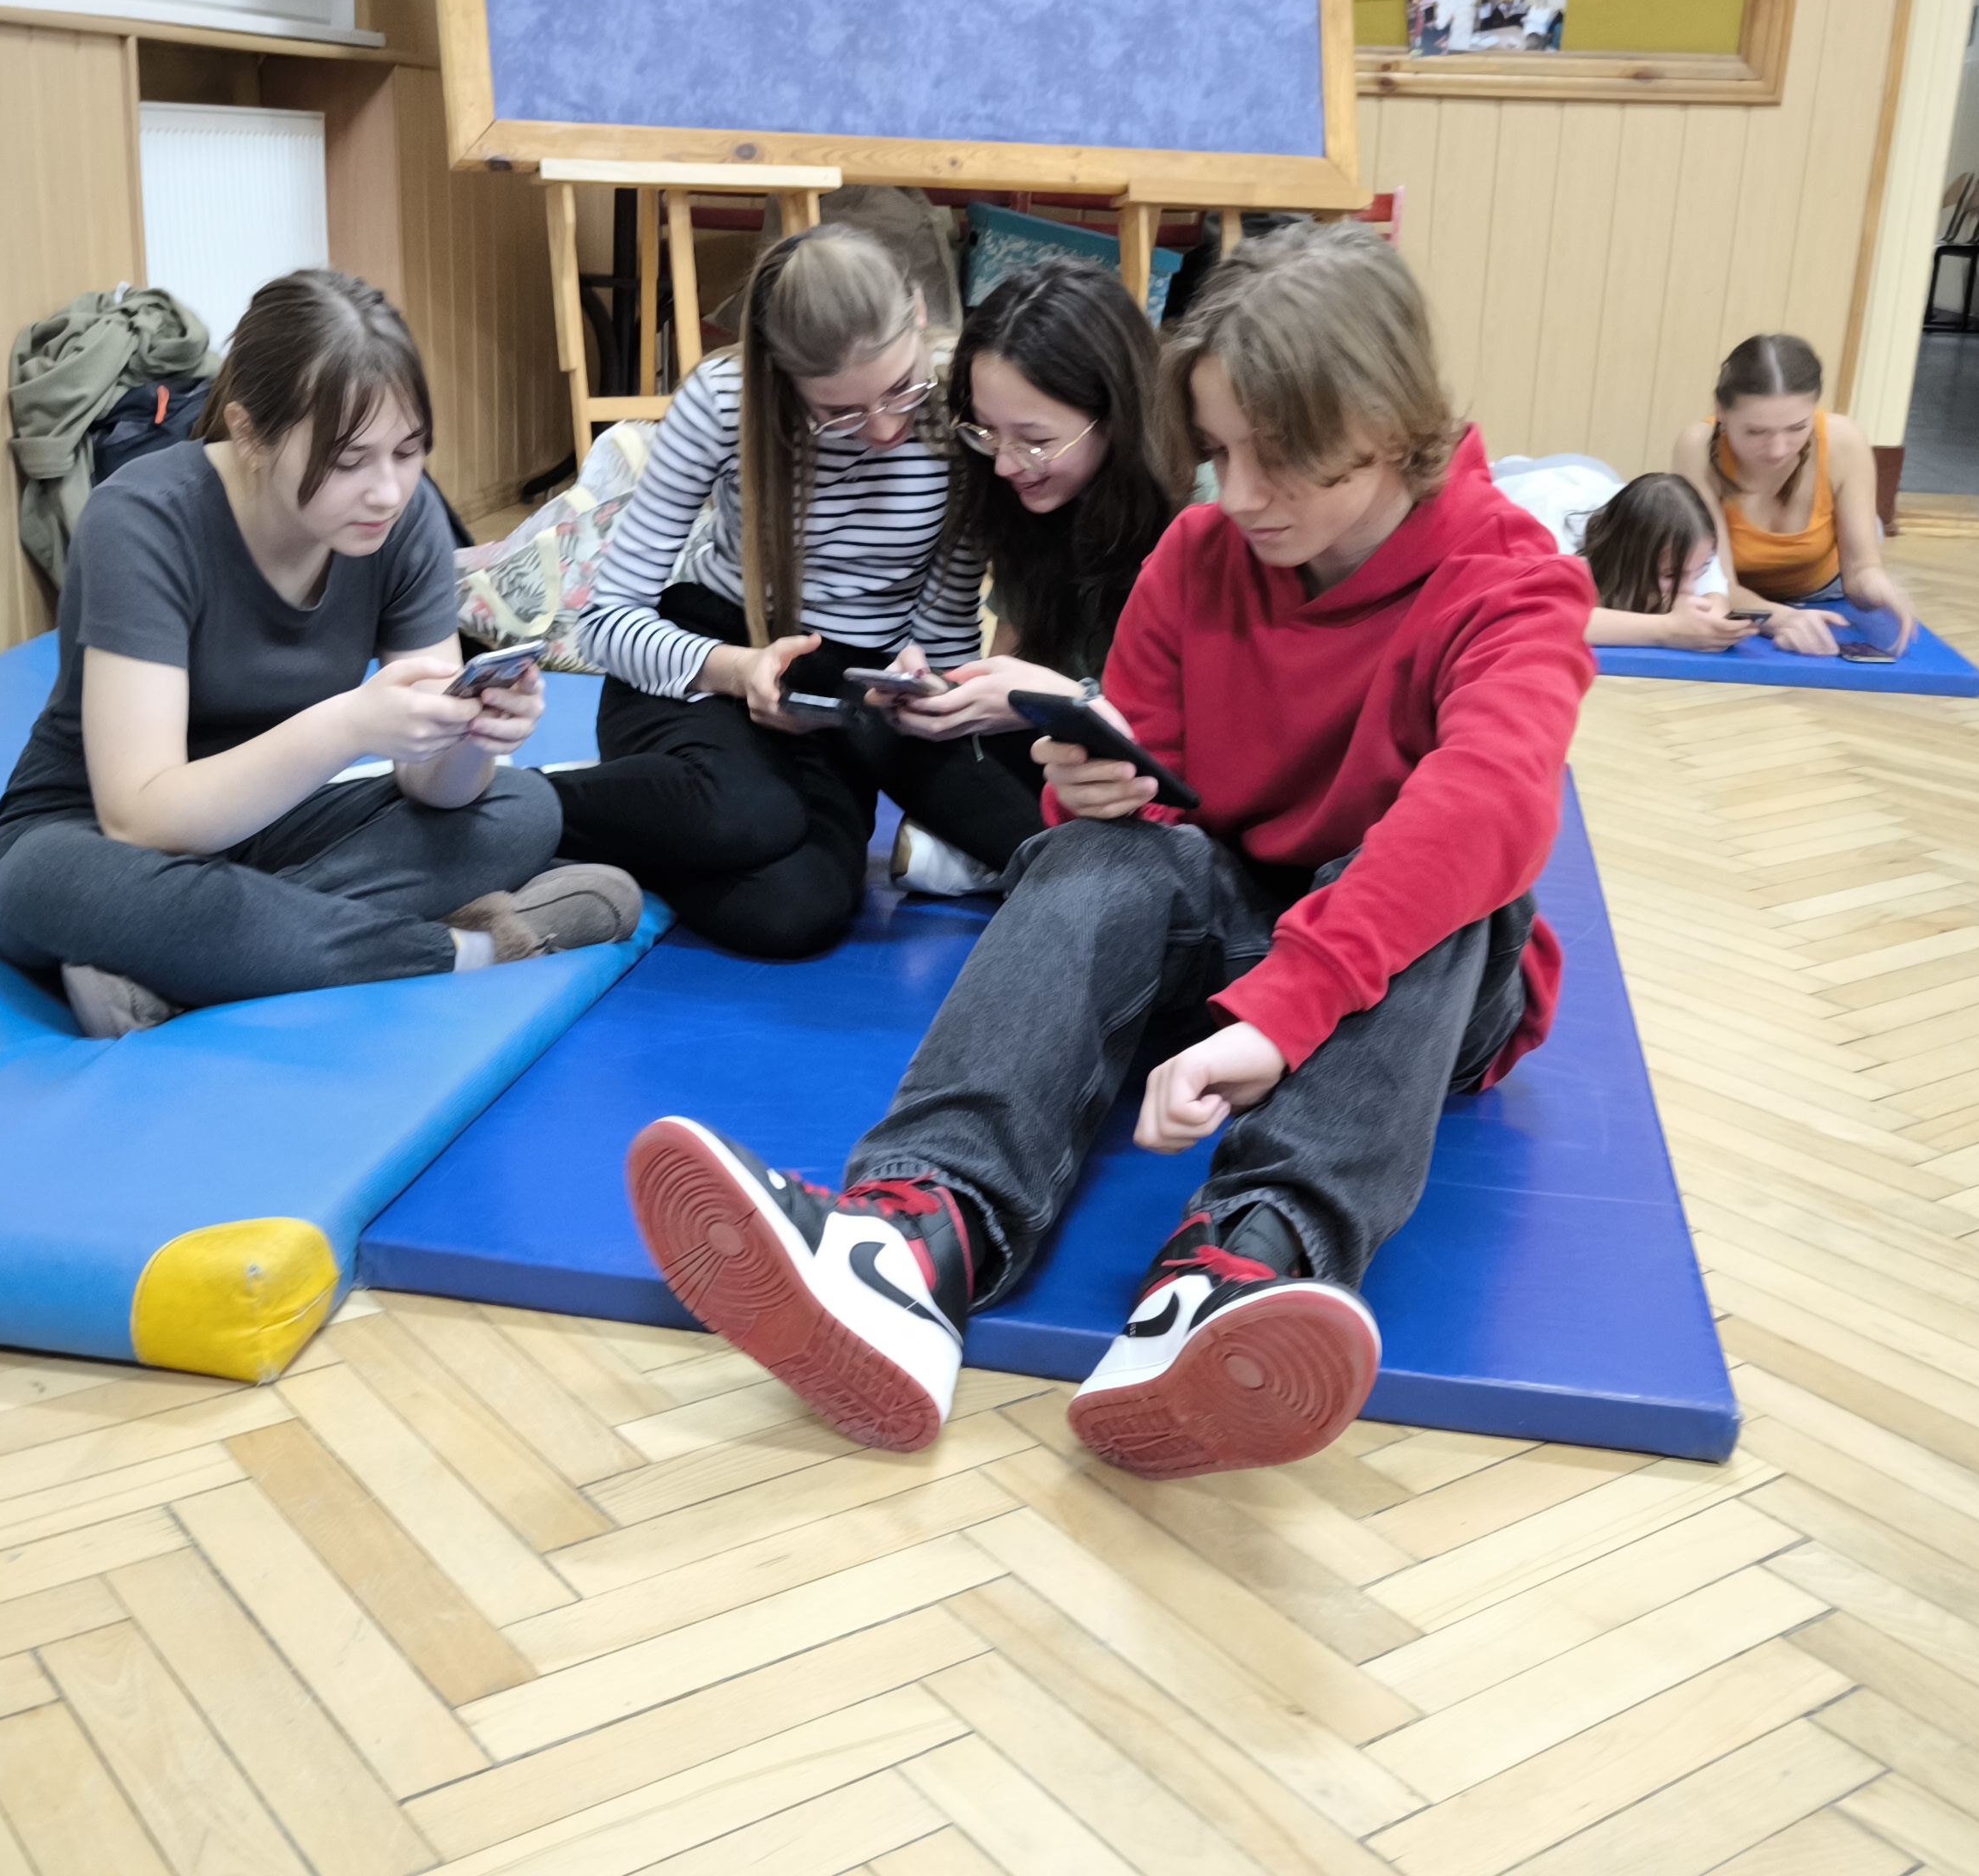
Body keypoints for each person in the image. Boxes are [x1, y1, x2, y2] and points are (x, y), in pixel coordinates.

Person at [617, 225, 1594, 1480]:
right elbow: (1156, 815)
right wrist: (1093, 797)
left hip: (1413, 994)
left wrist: (1283, 1010)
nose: (1240, 495)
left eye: (1282, 460)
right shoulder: (1198, 556)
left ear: (1392, 428)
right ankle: (911, 1240)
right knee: (1092, 860)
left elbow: (1487, 806)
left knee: (1445, 882)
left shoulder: (1514, 582)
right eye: (1221, 453)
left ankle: (1240, 1273)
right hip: (1242, 956)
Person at [0, 269, 640, 1038]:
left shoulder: (404, 521)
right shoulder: (142, 519)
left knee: (521, 809)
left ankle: (188, 968)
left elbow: (435, 790)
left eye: (408, 450)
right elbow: (141, 818)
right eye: (349, 460)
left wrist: (471, 735)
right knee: (47, 885)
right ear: (249, 433)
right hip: (99, 836)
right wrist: (351, 726)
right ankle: (471, 949)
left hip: (274, 826)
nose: (387, 491)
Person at [551, 225, 1041, 957]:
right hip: (706, 664)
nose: (883, 429)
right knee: (751, 813)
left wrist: (925, 684)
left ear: (918, 313)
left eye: (900, 389)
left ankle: (647, 817)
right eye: (839, 412)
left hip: (846, 700)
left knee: (798, 911)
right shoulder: (724, 400)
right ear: (783, 375)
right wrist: (738, 670)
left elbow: (944, 630)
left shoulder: (959, 403)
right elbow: (606, 623)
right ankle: (522, 807)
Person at [875, 258, 1189, 893]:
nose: (1006, 464)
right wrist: (950, 693)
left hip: (1156, 778)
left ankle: (1030, 862)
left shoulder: (1194, 520)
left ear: (1115, 417)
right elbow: (1014, 660)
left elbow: (1190, 747)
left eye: (1036, 440)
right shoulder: (1025, 501)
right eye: (987, 432)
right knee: (882, 728)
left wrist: (1060, 700)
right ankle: (1035, 861)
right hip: (1065, 761)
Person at [1669, 334, 1917, 658]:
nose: (1778, 449)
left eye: (1797, 428)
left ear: (1815, 410)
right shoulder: (1697, 447)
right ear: (1721, 413)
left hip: (1826, 586)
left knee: (1872, 529)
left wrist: (1878, 584)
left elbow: (1860, 570)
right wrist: (1781, 618)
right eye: (1756, 431)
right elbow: (1718, 586)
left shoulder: (1844, 440)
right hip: (1736, 588)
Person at [1575, 472, 1759, 651]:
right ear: (1624, 562)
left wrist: (1721, 630)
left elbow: (1714, 616)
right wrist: (1668, 628)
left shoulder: (1697, 549)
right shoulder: (1566, 548)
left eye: (1700, 571)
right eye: (1670, 574)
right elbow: (1563, 622)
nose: (1689, 590)